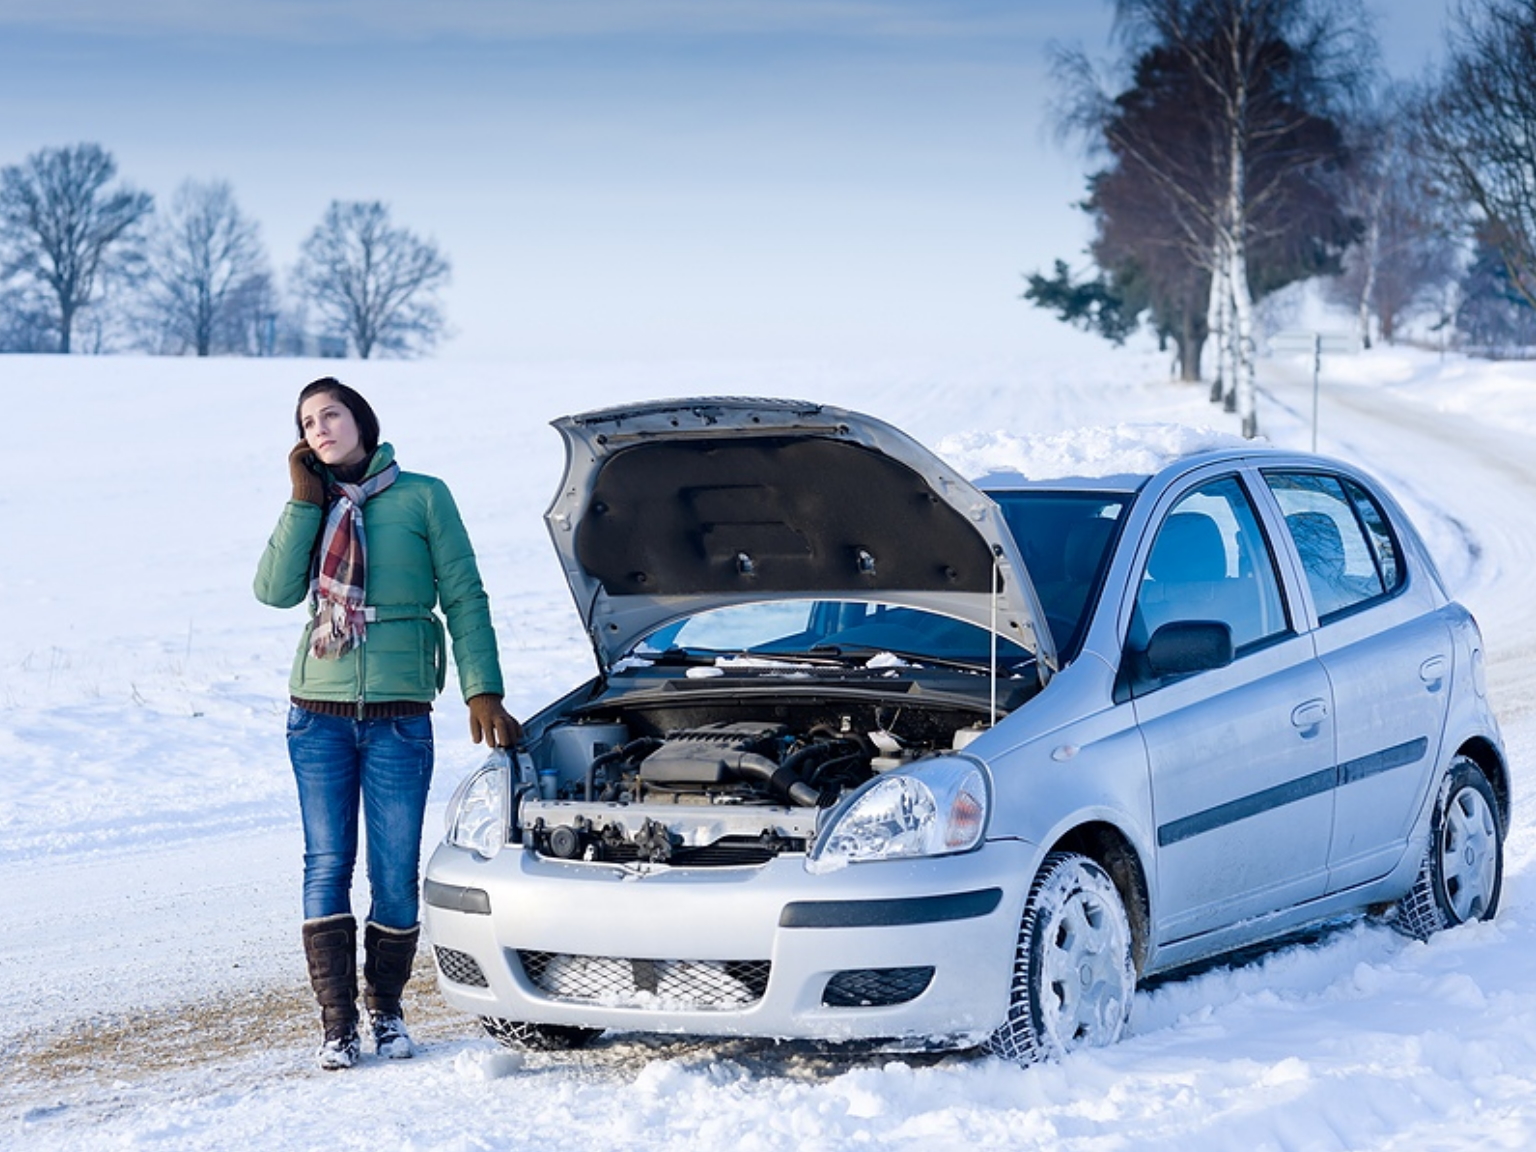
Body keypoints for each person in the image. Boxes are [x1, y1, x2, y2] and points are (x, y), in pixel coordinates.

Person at [254, 377, 520, 1070]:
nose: (319, 429)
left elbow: (464, 594)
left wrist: (481, 689)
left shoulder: (423, 495)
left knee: (395, 873)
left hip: (401, 714)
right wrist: (301, 501)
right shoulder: (314, 505)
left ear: (361, 420)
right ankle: (337, 1025)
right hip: (317, 714)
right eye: (307, 422)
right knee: (326, 865)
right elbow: (276, 591)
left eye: (330, 414)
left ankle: (390, 1013)